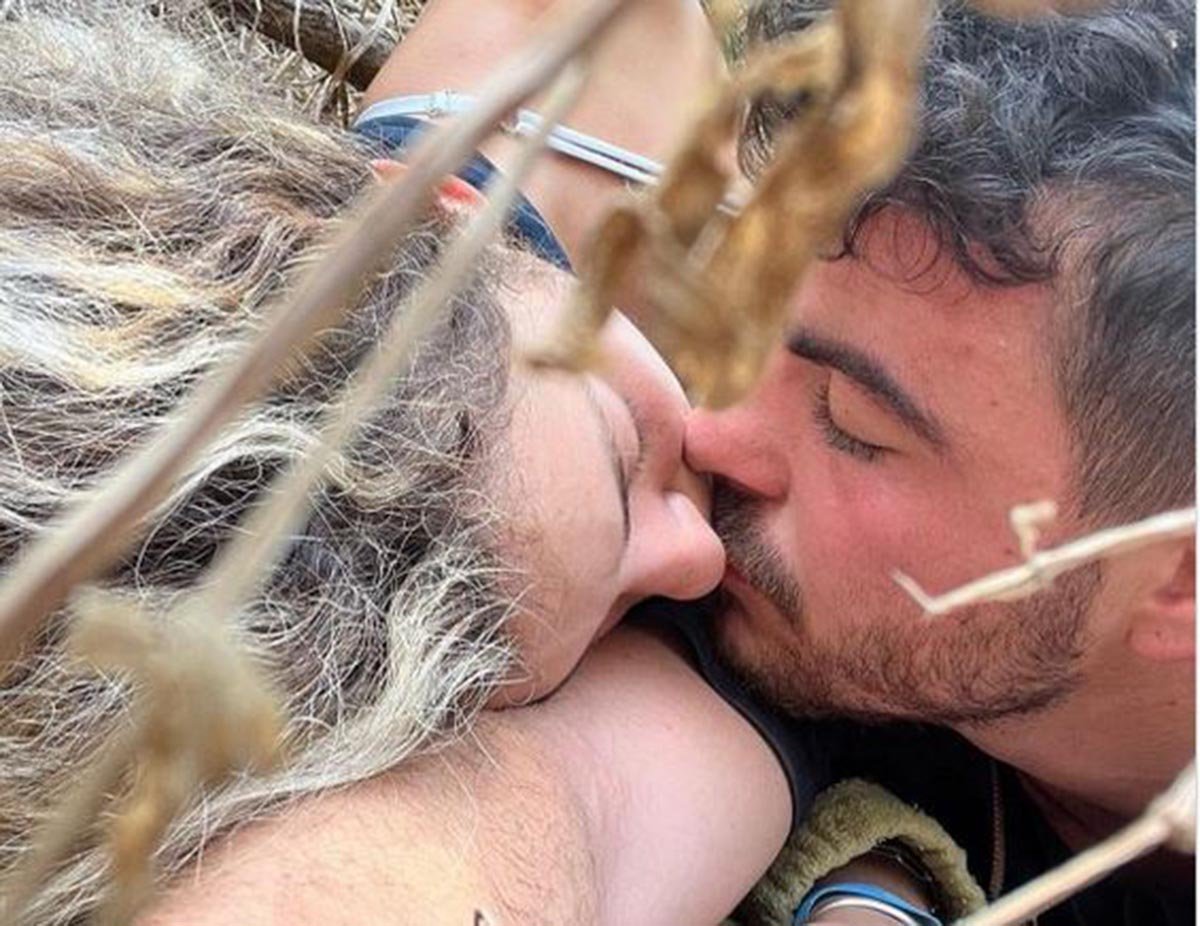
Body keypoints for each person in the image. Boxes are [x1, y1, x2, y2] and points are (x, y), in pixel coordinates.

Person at [139, 1, 1193, 925]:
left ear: (1179, 573)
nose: (710, 430)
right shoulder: (770, 609)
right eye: (753, 319)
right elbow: (565, 799)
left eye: (856, 422)